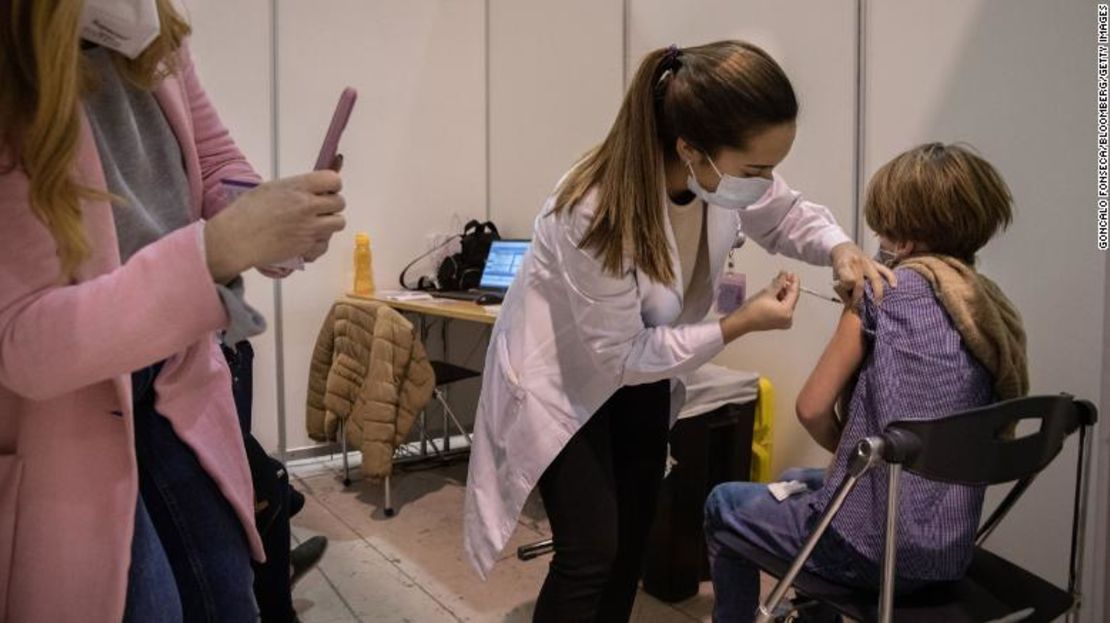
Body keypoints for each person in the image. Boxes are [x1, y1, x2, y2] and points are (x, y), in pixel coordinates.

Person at [462, 40, 892, 622]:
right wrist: (739, 323)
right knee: (591, 550)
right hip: (563, 380)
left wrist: (838, 248)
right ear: (690, 148)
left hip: (639, 375)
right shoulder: (594, 208)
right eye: (756, 169)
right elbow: (621, 354)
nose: (764, 183)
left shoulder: (714, 177)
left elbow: (786, 214)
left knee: (633, 534)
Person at [0, 0, 346, 621]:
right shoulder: (16, 58)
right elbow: (25, 343)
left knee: (228, 594)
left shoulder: (146, 27)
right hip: (70, 421)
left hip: (179, 373)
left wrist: (274, 222)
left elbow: (213, 161)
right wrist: (220, 249)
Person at [704, 143, 1027, 622]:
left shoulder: (879, 293)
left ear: (905, 234)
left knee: (724, 501)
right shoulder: (989, 311)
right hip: (946, 552)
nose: (876, 235)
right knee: (797, 480)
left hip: (868, 552)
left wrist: (855, 458)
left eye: (884, 225)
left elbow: (811, 409)